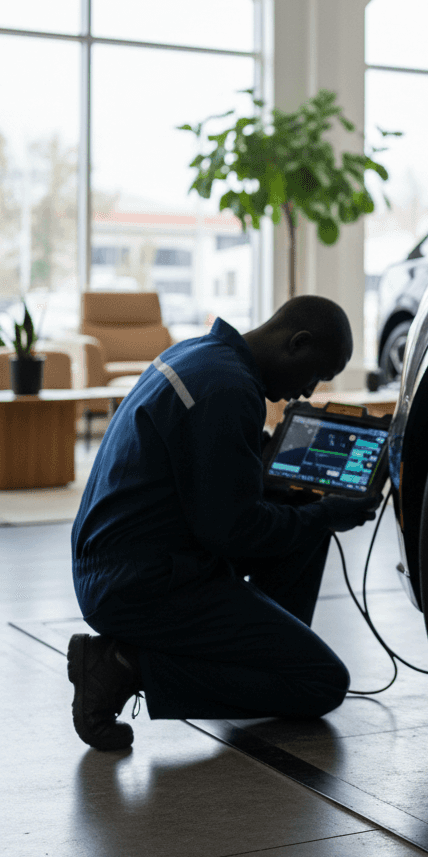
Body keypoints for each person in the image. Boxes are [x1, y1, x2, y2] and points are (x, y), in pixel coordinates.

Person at [68, 295, 377, 750]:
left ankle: (257, 655)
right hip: (140, 585)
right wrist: (326, 514)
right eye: (316, 375)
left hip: (125, 564)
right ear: (297, 342)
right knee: (321, 682)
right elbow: (233, 533)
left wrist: (276, 481)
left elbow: (206, 482)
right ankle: (121, 665)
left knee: (303, 524)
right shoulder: (227, 389)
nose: (309, 392)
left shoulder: (199, 355)